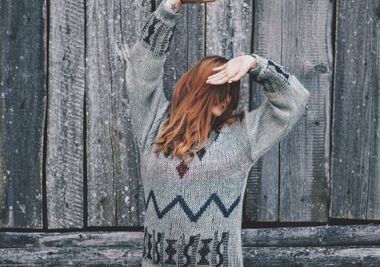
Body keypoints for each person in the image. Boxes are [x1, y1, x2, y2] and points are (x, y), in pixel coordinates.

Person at [122, 0, 310, 266]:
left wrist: (255, 64)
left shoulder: (241, 135)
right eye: (220, 92)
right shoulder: (153, 123)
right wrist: (171, 5)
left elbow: (295, 99)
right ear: (195, 88)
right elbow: (140, 70)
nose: (227, 102)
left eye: (231, 95)